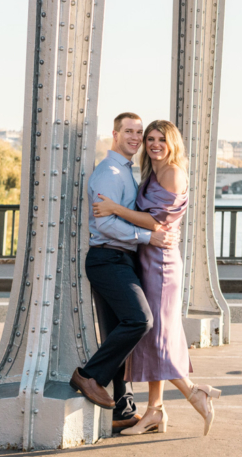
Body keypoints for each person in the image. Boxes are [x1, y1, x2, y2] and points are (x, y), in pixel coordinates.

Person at [93, 119, 221, 435]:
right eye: (149, 138)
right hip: (148, 257)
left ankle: (194, 392)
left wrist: (113, 208)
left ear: (172, 142)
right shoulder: (152, 173)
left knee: (159, 335)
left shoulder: (174, 173)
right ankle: (155, 411)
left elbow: (154, 221)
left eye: (160, 139)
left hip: (161, 263)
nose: (153, 144)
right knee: (155, 335)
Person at [70, 112, 178, 433]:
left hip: (120, 259)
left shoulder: (128, 173)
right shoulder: (109, 173)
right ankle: (89, 376)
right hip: (108, 259)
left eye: (138, 132)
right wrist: (149, 236)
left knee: (117, 333)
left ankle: (122, 408)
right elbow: (103, 223)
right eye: (129, 131)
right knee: (140, 320)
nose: (135, 137)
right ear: (115, 134)